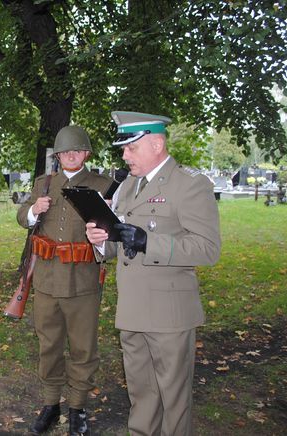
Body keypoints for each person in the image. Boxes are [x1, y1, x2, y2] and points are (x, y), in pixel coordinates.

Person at [86, 111, 221, 435]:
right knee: (142, 396)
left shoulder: (189, 185)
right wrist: (102, 242)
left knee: (174, 400)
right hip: (132, 311)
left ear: (157, 144)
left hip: (169, 317)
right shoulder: (128, 187)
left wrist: (151, 241)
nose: (124, 154)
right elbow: (121, 241)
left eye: (131, 148)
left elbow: (208, 248)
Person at [17, 125, 112, 436]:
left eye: (77, 150)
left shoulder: (103, 186)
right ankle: (50, 403)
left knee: (84, 348)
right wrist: (33, 210)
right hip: (46, 281)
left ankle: (78, 406)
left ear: (86, 153)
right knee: (49, 345)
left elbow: (115, 230)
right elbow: (21, 218)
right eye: (65, 152)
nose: (71, 155)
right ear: (57, 156)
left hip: (83, 281)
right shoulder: (44, 184)